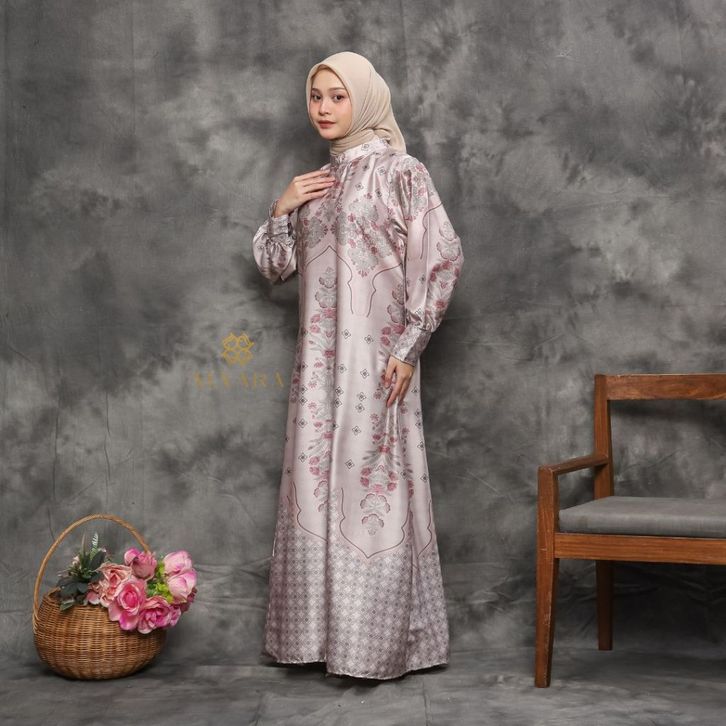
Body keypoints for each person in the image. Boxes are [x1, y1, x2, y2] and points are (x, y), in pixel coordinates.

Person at [252, 50, 463, 680]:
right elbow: (275, 268)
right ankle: (315, 639)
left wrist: (409, 347)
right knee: (315, 486)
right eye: (315, 96)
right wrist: (282, 207)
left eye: (337, 96)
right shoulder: (317, 183)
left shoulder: (401, 172)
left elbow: (441, 256)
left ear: (365, 99)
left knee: (372, 489)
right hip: (317, 367)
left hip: (378, 362)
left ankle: (374, 645)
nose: (323, 108)